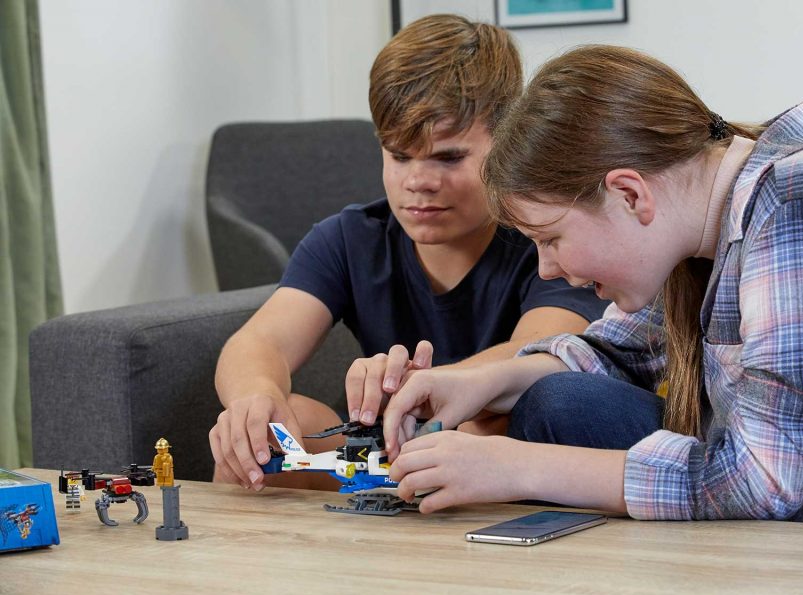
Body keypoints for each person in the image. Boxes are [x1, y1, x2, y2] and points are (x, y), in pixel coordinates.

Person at [381, 45, 803, 532]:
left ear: (629, 193)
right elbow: (616, 350)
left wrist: (514, 465)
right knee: (563, 398)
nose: (549, 269)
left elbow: (763, 484)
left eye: (550, 238)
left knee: (560, 420)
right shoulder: (708, 236)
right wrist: (476, 382)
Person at [208, 16, 608, 492]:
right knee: (263, 433)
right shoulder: (349, 238)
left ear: (508, 143)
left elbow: (540, 354)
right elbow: (257, 344)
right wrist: (256, 398)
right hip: (387, 446)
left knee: (495, 420)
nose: (418, 181)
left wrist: (421, 386)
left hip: (504, 451)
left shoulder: (549, 238)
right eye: (399, 156)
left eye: (449, 157)